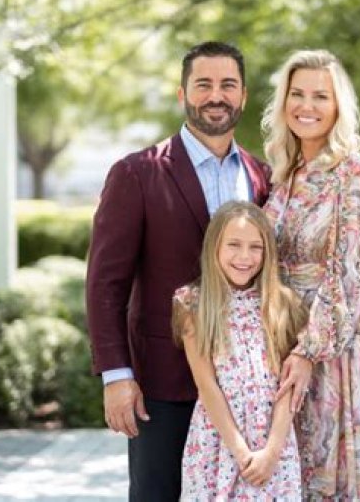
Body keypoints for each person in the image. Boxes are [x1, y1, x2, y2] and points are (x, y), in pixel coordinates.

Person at [85, 41, 272, 501]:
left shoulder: (263, 177)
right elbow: (105, 284)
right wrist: (116, 375)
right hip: (164, 385)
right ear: (182, 93)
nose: (216, 96)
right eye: (203, 84)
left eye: (227, 85)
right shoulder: (137, 173)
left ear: (243, 95)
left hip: (247, 389)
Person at [262, 50, 360, 500]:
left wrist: (308, 351)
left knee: (320, 473)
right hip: (273, 345)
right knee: (278, 476)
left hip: (325, 350)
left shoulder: (357, 171)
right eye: (297, 94)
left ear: (338, 106)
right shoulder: (281, 174)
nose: (307, 106)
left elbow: (352, 275)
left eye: (320, 96)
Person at [172, 201, 307, 499]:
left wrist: (272, 451)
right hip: (219, 441)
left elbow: (288, 386)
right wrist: (241, 453)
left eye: (255, 247)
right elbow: (206, 385)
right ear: (214, 247)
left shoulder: (281, 304)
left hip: (273, 443)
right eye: (234, 245)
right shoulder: (192, 304)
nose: (245, 257)